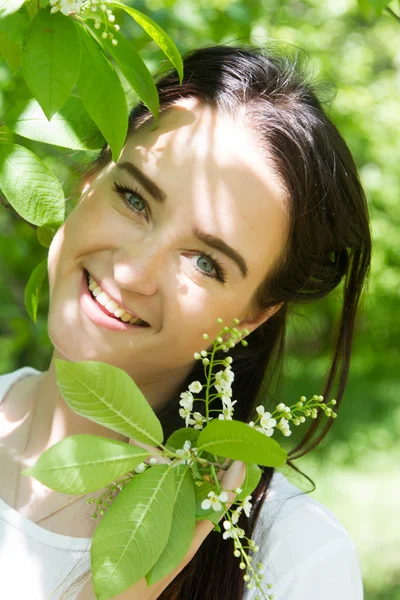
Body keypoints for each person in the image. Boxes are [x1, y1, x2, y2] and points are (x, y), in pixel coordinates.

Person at [0, 43, 371, 600]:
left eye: (206, 262)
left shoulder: (293, 560)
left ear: (252, 316)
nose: (132, 271)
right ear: (91, 179)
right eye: (134, 198)